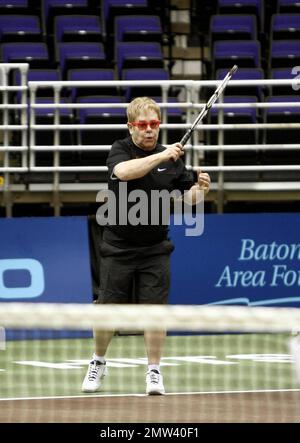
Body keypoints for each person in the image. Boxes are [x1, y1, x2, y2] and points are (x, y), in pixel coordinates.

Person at [82, 97, 210, 395]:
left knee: (155, 312)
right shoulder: (121, 150)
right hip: (118, 246)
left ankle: (154, 371)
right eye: (143, 125)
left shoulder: (172, 161)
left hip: (155, 248)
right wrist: (163, 157)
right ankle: (98, 361)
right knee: (106, 312)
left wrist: (201, 190)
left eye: (155, 124)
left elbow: (187, 198)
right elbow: (126, 173)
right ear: (131, 127)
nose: (150, 130)